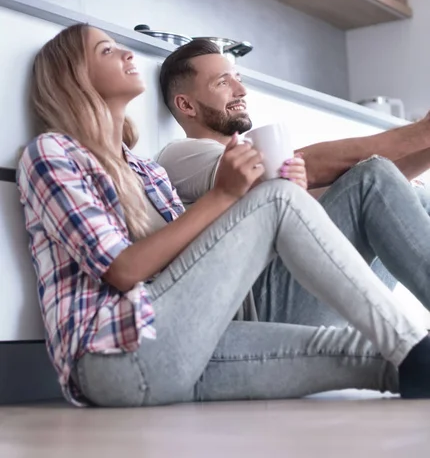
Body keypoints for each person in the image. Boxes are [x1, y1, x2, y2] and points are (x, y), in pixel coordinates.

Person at [17, 25, 430, 408]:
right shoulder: (52, 153)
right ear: (75, 79)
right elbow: (122, 270)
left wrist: (263, 200)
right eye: (107, 50)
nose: (126, 51)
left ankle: (412, 350)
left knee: (381, 360)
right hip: (120, 355)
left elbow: (193, 261)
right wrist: (228, 195)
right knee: (284, 198)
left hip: (194, 342)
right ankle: (412, 343)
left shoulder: (145, 170)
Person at [156, 39, 430, 327]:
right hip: (264, 307)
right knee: (372, 175)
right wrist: (419, 133)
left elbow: (359, 191)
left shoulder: (261, 169)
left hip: (298, 290)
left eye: (239, 79)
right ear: (186, 104)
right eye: (223, 83)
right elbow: (301, 168)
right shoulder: (182, 154)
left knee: (415, 196)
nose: (241, 91)